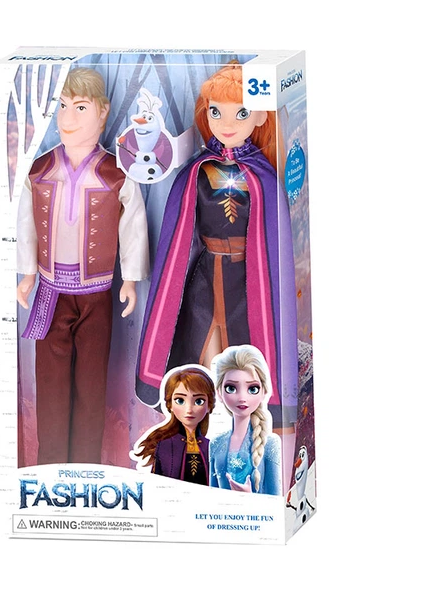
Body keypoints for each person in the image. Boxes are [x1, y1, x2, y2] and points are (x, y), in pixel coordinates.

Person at [136, 62, 298, 430]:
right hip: (205, 277)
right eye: (215, 112)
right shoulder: (198, 170)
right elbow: (179, 230)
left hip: (248, 281)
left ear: (259, 117)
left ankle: (246, 430)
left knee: (244, 356)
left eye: (240, 113)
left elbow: (272, 240)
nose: (226, 123)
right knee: (200, 348)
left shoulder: (262, 176)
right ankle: (198, 432)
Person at [16, 68, 149, 464]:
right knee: (51, 387)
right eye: (62, 106)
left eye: (80, 107)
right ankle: (50, 467)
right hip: (51, 294)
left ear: (102, 112)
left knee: (91, 388)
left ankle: (87, 466)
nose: (67, 118)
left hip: (96, 295)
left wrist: (130, 279)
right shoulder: (40, 170)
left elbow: (133, 223)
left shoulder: (116, 172)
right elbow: (26, 224)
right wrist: (27, 273)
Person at [209, 345, 281, 494]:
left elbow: (275, 498)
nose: (242, 398)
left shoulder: (270, 443)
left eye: (252, 389)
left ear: (263, 392)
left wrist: (248, 497)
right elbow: (212, 494)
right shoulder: (216, 444)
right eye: (231, 388)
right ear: (219, 393)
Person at [132, 366, 215, 485]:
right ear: (170, 404)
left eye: (198, 401)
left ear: (209, 406)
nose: (189, 409)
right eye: (180, 401)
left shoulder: (212, 447)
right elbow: (156, 485)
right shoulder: (164, 446)